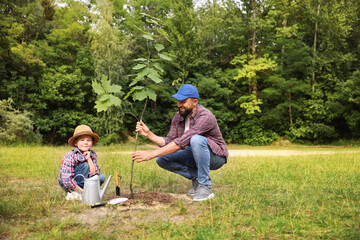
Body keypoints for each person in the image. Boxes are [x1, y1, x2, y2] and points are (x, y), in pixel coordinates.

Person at [132, 84, 228, 201]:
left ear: (195, 101)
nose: (180, 105)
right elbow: (169, 142)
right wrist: (148, 134)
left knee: (196, 139)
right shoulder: (178, 117)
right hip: (194, 154)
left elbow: (181, 142)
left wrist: (152, 153)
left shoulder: (205, 116)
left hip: (216, 157)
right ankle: (197, 179)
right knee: (162, 159)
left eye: (184, 101)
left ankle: (205, 187)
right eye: (178, 101)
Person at [58, 125, 105, 200]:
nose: (85, 143)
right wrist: (83, 192)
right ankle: (75, 192)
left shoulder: (92, 154)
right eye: (82, 140)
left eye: (88, 140)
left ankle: (87, 191)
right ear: (76, 143)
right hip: (70, 184)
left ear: (92, 142)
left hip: (85, 182)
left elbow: (94, 174)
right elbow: (66, 180)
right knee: (84, 165)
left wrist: (89, 159)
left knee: (101, 177)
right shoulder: (70, 155)